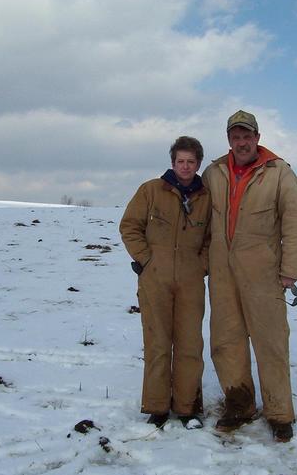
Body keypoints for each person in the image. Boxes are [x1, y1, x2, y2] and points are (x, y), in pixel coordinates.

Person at [202, 110, 297, 442]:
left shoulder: (279, 172)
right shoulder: (214, 172)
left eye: (247, 136)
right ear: (229, 140)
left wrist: (290, 270)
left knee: (271, 343)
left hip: (263, 272)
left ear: (257, 138)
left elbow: (294, 222)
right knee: (226, 341)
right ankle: (240, 406)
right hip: (221, 272)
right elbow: (199, 220)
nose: (242, 142)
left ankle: (279, 413)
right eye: (236, 136)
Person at [119, 135, 211, 430]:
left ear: (198, 164)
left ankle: (187, 408)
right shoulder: (151, 190)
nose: (185, 166)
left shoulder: (206, 197)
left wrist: (201, 266)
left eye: (191, 162)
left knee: (189, 344)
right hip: (155, 279)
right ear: (173, 163)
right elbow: (130, 226)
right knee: (158, 342)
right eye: (180, 161)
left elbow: (212, 239)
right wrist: (146, 260)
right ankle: (157, 407)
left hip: (191, 280)